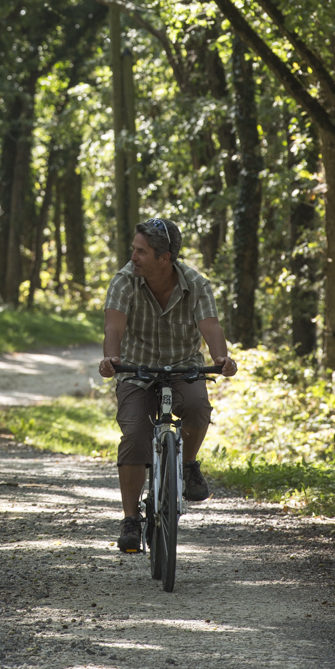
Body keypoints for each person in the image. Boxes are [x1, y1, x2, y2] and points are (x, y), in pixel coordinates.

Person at [99, 217, 237, 553]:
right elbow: (113, 329)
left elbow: (211, 327)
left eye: (141, 251)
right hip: (136, 370)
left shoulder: (196, 284)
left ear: (165, 257)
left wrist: (222, 358)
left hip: (182, 367)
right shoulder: (124, 281)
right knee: (134, 435)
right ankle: (130, 519)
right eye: (134, 249)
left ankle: (188, 465)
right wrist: (111, 359)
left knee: (198, 407)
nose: (133, 257)